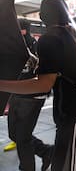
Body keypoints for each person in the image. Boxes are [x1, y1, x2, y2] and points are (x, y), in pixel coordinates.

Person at [0, 0, 76, 171]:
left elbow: (43, 84)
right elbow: (67, 67)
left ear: (42, 16)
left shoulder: (50, 40)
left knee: (69, 166)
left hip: (75, 115)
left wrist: (2, 85)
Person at [6, 18, 53, 171]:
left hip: (32, 97)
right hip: (16, 93)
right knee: (14, 134)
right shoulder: (12, 45)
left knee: (23, 138)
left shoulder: (35, 44)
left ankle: (27, 167)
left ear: (23, 30)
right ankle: (45, 151)